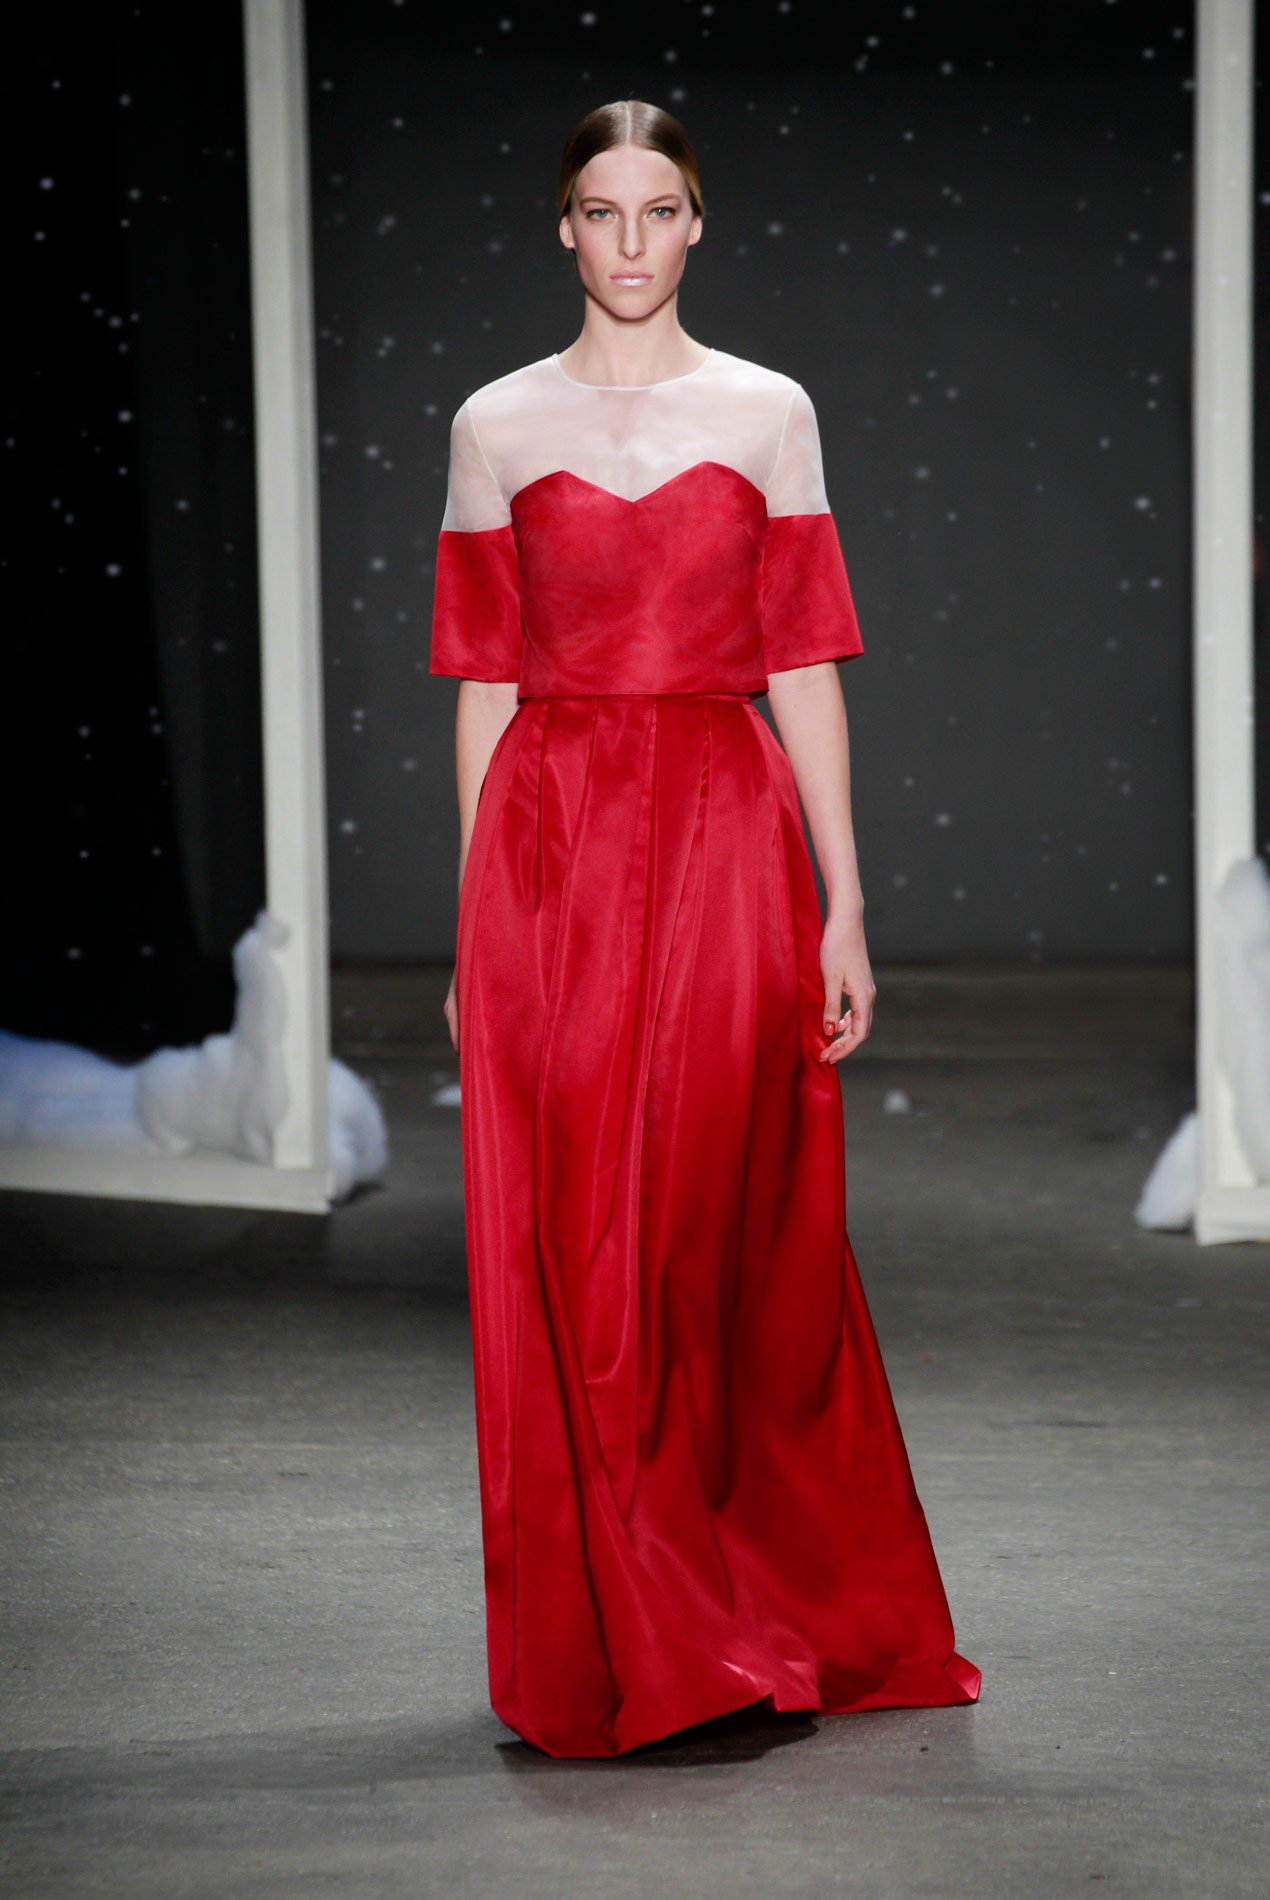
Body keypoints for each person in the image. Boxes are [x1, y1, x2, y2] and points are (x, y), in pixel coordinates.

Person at [429, 98, 980, 1759]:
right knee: (575, 1234)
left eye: (656, 209)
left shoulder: (766, 411)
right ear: (563, 228)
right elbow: (484, 686)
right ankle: (644, 1626)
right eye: (599, 211)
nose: (628, 241)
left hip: (730, 846)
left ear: (694, 224)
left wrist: (844, 904)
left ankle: (734, 1601)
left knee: (708, 1228)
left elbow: (800, 662)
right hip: (552, 852)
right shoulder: (493, 424)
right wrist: (471, 928)